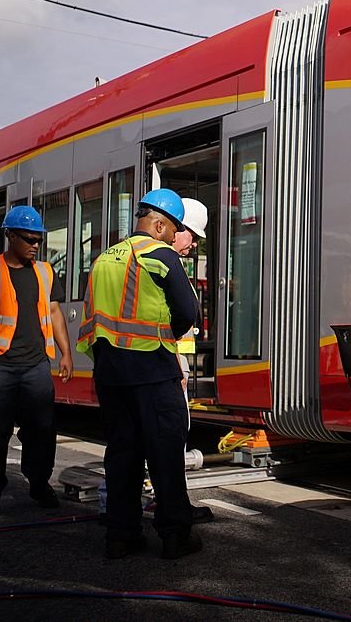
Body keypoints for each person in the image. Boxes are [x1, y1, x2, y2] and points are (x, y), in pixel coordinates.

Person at [77, 189, 201, 560]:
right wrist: (169, 336)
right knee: (165, 455)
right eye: (174, 227)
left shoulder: (103, 259)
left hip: (111, 374)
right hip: (152, 369)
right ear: (160, 224)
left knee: (123, 456)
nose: (174, 235)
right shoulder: (158, 254)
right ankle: (175, 535)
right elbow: (187, 311)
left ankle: (121, 535)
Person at [0, 205, 73, 521]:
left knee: (42, 430)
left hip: (36, 365)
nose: (34, 245)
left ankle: (39, 484)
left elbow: (53, 313)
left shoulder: (46, 271)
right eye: (27, 239)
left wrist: (65, 353)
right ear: (9, 236)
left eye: (38, 238)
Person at [170, 197, 214, 524]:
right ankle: (175, 510)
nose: (194, 243)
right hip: (168, 366)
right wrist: (176, 366)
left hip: (161, 364)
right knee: (171, 437)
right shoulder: (165, 263)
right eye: (192, 235)